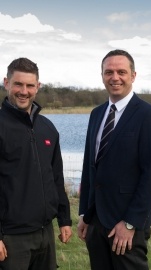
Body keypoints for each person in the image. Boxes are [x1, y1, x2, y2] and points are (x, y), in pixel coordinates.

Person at [77, 49, 151, 270]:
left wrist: (130, 222)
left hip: (126, 225)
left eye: (121, 72)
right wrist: (84, 214)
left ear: (133, 76)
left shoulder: (148, 116)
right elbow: (89, 167)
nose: (114, 77)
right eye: (109, 72)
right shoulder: (96, 114)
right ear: (102, 76)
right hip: (96, 221)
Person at [0, 58, 72, 270]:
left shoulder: (47, 128)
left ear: (38, 87)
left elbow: (56, 177)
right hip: (11, 237)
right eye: (18, 84)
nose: (24, 91)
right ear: (6, 83)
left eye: (30, 85)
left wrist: (65, 219)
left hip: (45, 233)